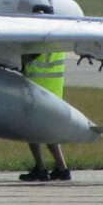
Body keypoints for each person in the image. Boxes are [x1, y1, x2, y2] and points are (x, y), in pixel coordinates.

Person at [20, 51, 72, 182]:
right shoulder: (58, 40)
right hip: (54, 89)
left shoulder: (39, 39)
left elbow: (28, 57)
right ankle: (62, 168)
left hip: (36, 87)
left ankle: (41, 168)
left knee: (31, 130)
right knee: (49, 131)